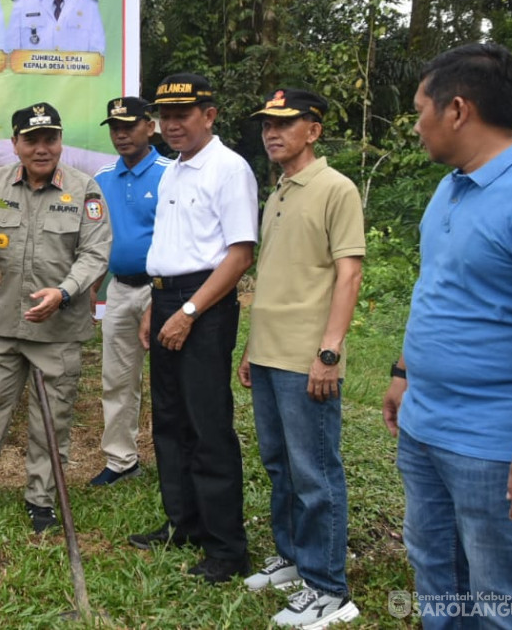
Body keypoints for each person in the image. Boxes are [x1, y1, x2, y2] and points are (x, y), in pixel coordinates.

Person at [383, 43, 512, 626]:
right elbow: (441, 287)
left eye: (420, 109)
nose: (416, 124)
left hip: (495, 445)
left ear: (457, 110)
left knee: (506, 599)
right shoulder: (452, 184)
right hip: (426, 425)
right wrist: (404, 371)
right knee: (438, 577)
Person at [0, 103, 111, 534]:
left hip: (57, 330)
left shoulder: (84, 189)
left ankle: (42, 497)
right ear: (15, 144)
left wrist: (65, 291)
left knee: (52, 418)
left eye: (49, 139)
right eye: (31, 140)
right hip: (1, 326)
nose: (41, 148)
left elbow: (95, 253)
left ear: (60, 141)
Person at [237, 89, 364, 627]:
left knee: (315, 471)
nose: (273, 132)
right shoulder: (280, 191)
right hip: (269, 351)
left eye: (285, 123)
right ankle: (292, 557)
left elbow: (349, 271)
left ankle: (329, 588)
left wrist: (329, 352)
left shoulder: (336, 188)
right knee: (278, 465)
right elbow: (274, 276)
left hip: (307, 355)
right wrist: (251, 347)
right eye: (268, 123)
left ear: (313, 130)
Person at [129, 73, 257, 583]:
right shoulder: (175, 170)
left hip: (203, 304)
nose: (173, 124)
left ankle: (226, 548)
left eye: (185, 114)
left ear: (210, 114)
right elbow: (172, 243)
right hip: (166, 297)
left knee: (207, 427)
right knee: (169, 420)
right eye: (166, 115)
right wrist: (155, 303)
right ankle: (183, 523)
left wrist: (187, 312)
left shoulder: (229, 168)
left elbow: (240, 254)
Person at [89, 96, 170, 486]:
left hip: (166, 291)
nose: (121, 134)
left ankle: (178, 458)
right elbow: (98, 241)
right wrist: (92, 287)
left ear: (149, 126)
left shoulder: (172, 174)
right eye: (115, 128)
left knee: (172, 379)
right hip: (120, 290)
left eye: (130, 126)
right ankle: (122, 461)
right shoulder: (103, 178)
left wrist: (165, 297)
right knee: (117, 378)